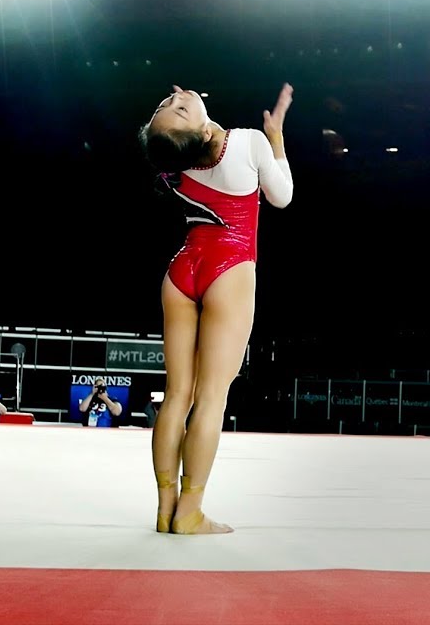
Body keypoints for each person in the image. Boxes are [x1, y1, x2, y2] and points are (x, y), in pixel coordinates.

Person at [139, 83, 294, 535]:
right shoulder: (248, 143)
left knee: (176, 397)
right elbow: (281, 196)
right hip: (229, 269)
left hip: (183, 269)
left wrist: (178, 118)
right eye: (177, 109)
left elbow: (173, 139)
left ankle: (165, 507)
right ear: (200, 129)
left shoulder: (175, 161)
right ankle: (189, 511)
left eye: (169, 101)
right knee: (210, 400)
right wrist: (277, 139)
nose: (175, 96)